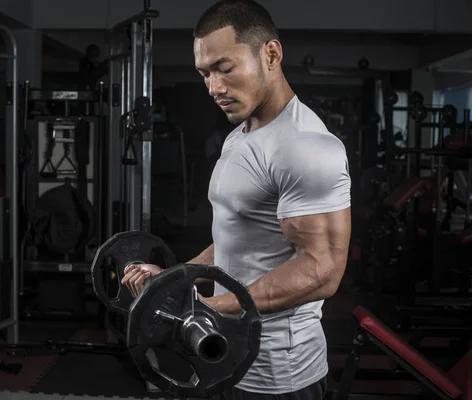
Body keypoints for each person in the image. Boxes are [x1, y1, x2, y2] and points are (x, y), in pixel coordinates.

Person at [122, 1, 352, 399]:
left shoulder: (305, 146)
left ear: (272, 54)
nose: (214, 87)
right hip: (223, 357)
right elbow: (237, 241)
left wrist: (214, 307)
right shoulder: (240, 135)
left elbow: (322, 270)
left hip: (279, 376)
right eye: (204, 74)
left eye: (224, 69)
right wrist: (172, 280)